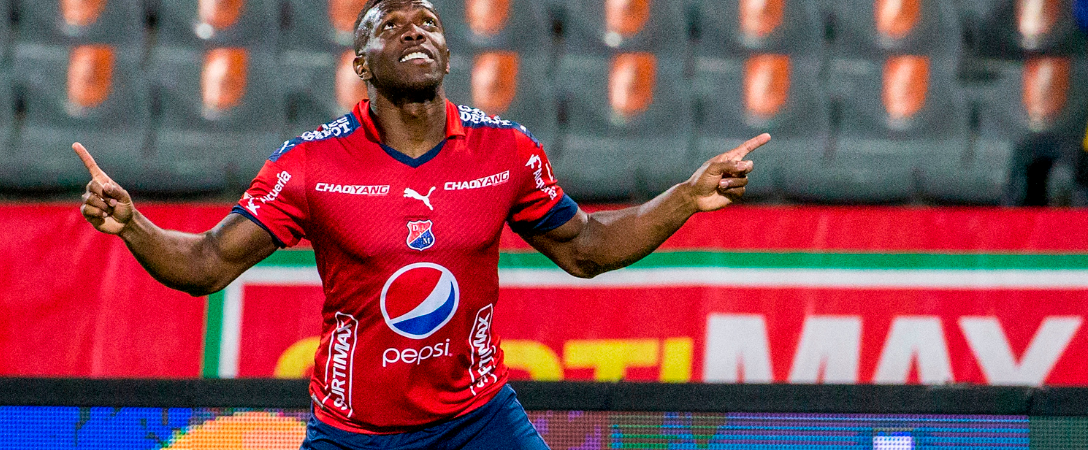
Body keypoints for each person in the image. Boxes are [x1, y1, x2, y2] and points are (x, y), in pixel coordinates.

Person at [75, 0, 768, 447]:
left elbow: (585, 249)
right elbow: (203, 267)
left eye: (428, 23)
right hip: (353, 432)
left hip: (478, 418)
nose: (413, 31)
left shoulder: (506, 151)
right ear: (359, 64)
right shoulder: (309, 165)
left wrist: (684, 195)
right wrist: (133, 225)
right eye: (390, 26)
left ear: (445, 53)